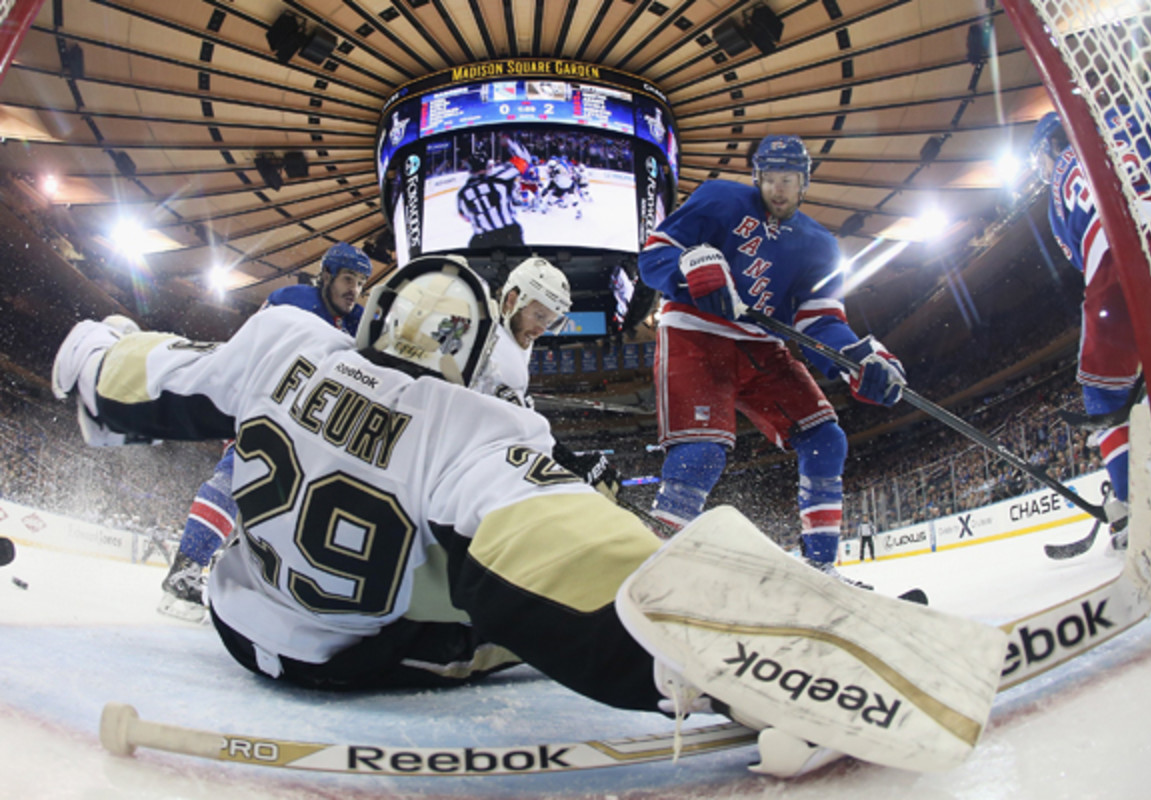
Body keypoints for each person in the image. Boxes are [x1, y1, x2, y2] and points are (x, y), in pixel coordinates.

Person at [51, 255, 996, 779]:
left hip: (238, 617)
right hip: (348, 657)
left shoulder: (278, 341)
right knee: (501, 582)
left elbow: (129, 384)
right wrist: (746, 661)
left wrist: (100, 353)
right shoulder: (471, 416)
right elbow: (560, 559)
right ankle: (740, 649)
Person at [637, 134, 908, 588]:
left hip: (762, 345)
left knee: (827, 438)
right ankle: (656, 563)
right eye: (770, 179)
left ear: (804, 182)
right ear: (756, 177)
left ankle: (820, 569)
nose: (778, 190)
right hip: (694, 333)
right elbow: (653, 256)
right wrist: (689, 264)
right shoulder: (719, 198)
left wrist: (859, 358)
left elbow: (819, 320)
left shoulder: (819, 245)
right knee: (702, 452)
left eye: (789, 180)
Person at [158, 242, 372, 621]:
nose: (353, 289)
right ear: (325, 276)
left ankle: (252, 590)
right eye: (347, 279)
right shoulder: (293, 300)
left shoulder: (355, 320)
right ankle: (185, 570)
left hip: (304, 422)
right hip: (262, 401)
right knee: (239, 473)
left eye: (360, 282)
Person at [1027, 100, 1151, 550]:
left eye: (1039, 157)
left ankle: (1133, 504)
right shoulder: (1120, 128)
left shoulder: (1056, 193)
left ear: (1049, 145)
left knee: (1102, 392)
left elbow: (1083, 257)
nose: (1042, 168)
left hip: (1112, 258)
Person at [473, 255, 620, 500]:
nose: (542, 329)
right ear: (512, 300)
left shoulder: (514, 335)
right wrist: (573, 465)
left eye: (550, 321)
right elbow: (522, 434)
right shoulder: (493, 347)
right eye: (539, 316)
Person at [457, 146, 523, 248]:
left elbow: (465, 217)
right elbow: (523, 163)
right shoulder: (500, 180)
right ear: (487, 167)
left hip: (483, 239)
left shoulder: (463, 193)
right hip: (509, 233)